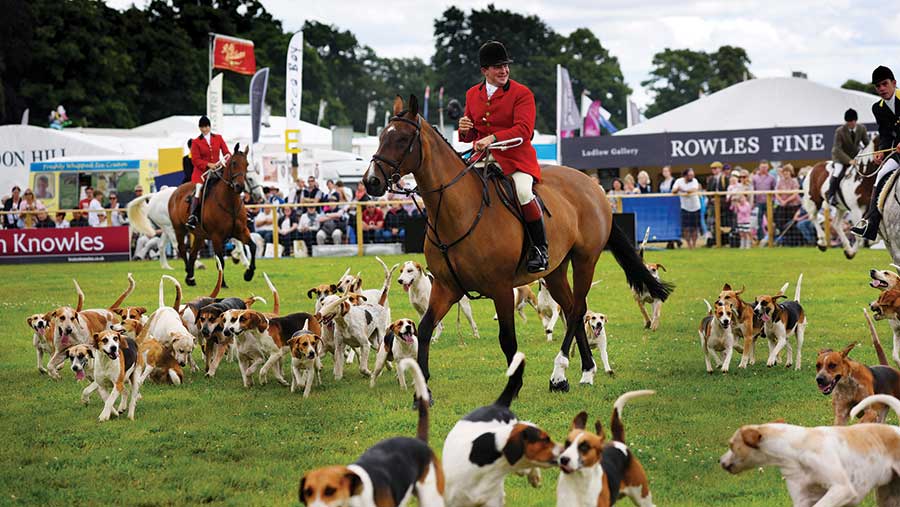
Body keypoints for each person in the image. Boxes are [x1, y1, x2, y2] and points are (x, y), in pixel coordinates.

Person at [458, 40, 547, 272]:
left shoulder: (522, 93)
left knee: (524, 192)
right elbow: (470, 136)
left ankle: (539, 248)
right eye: (498, 67)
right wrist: (465, 129)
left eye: (505, 66)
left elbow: (524, 130)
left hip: (515, 158)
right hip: (482, 158)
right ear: (484, 71)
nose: (504, 70)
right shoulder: (471, 94)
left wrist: (493, 139)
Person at [852, 66, 900, 240]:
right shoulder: (877, 108)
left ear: (894, 83)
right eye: (878, 86)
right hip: (897, 153)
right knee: (881, 176)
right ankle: (871, 224)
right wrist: (881, 150)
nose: (881, 89)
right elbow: (886, 134)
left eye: (884, 84)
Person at [187, 115, 231, 230]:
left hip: (217, 171)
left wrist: (223, 162)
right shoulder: (196, 142)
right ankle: (192, 216)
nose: (205, 129)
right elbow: (195, 160)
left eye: (206, 126)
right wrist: (208, 164)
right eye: (202, 127)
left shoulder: (218, 138)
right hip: (202, 173)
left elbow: (227, 153)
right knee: (198, 190)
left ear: (210, 127)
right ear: (199, 128)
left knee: (229, 185)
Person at [827, 109, 869, 206]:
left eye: (852, 122)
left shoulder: (861, 128)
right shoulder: (840, 131)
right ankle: (831, 195)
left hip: (854, 156)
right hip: (840, 156)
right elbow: (837, 149)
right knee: (838, 171)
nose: (850, 124)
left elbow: (867, 143)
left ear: (855, 121)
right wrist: (849, 161)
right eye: (848, 122)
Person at [672, 168, 701, 249]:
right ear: (685, 176)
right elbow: (673, 190)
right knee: (686, 228)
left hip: (696, 207)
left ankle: (694, 245)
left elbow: (694, 189)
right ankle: (689, 245)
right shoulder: (678, 181)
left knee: (695, 228)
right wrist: (678, 189)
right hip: (685, 207)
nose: (692, 176)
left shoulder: (694, 181)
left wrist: (682, 190)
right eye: (690, 175)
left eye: (692, 175)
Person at [752, 160, 775, 242]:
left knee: (770, 220)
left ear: (768, 168)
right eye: (762, 167)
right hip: (758, 202)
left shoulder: (772, 178)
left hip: (769, 202)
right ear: (759, 167)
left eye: (765, 167)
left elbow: (773, 189)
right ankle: (760, 238)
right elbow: (753, 190)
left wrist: (773, 201)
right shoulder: (754, 177)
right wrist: (753, 202)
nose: (764, 169)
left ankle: (772, 238)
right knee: (759, 221)